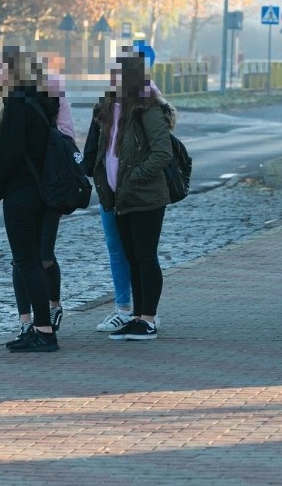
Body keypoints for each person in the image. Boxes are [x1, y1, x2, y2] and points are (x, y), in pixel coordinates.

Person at [88, 47, 173, 341]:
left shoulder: (146, 106)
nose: (112, 78)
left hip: (145, 196)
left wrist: (134, 178)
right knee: (132, 257)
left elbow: (163, 152)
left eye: (118, 73)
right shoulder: (110, 107)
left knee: (145, 256)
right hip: (119, 196)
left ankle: (148, 318)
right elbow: (103, 150)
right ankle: (137, 315)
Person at [0, 47, 60, 352]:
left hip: (21, 194)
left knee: (26, 262)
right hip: (40, 193)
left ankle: (43, 330)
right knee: (32, 262)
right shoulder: (41, 99)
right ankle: (41, 328)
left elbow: (9, 154)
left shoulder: (16, 102)